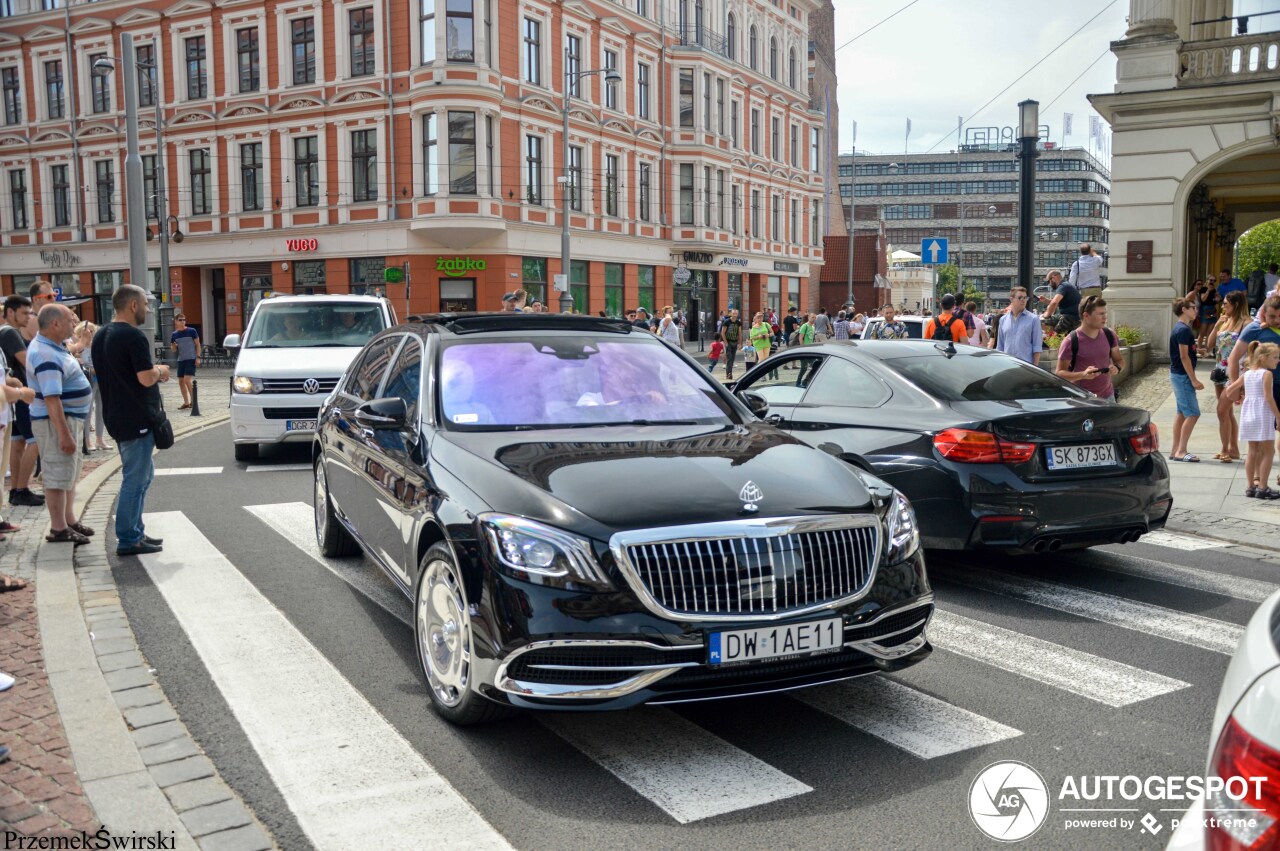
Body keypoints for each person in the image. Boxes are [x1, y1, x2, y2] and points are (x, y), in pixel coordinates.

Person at [92, 285, 169, 557]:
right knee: (135, 479)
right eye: (146, 305)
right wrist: (161, 369)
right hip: (135, 416)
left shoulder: (100, 335)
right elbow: (145, 377)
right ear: (133, 305)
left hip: (115, 414)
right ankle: (128, 537)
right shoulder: (133, 337)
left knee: (143, 476)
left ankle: (136, 530)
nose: (148, 310)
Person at [27, 304, 94, 545]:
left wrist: (82, 343)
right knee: (57, 474)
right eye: (69, 320)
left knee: (68, 472)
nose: (73, 324)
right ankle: (58, 528)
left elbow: (71, 350)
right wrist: (64, 435)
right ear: (55, 324)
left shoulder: (54, 345)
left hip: (67, 419)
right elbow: (51, 399)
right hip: (55, 423)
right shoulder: (45, 354)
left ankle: (68, 520)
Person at [0, 295, 41, 507]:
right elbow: (29, 362)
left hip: (12, 399)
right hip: (21, 396)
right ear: (10, 312)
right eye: (24, 313)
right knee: (36, 440)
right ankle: (21, 488)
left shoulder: (4, 333)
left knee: (17, 443)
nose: (28, 317)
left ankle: (16, 490)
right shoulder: (10, 333)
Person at [1225, 341, 1280, 498]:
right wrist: (1278, 416)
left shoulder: (1247, 373)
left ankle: (1250, 486)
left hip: (1248, 414)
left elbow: (1229, 390)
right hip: (1263, 414)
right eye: (1275, 357)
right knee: (1269, 451)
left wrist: (1240, 398)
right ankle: (1263, 487)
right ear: (1263, 358)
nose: (1278, 360)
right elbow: (1269, 398)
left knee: (1252, 451)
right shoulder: (1267, 374)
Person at [1054, 296, 1123, 401]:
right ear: (1086, 315)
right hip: (1081, 400)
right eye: (1100, 314)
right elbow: (1059, 374)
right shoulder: (1071, 341)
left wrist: (1117, 368)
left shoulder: (1109, 334)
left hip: (1108, 397)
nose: (1105, 317)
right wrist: (1082, 375)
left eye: (1105, 313)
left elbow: (1119, 360)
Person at [1208, 290, 1249, 462]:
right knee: (1228, 412)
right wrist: (1217, 326)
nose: (1222, 306)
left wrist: (1244, 379)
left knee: (1221, 410)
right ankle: (1234, 449)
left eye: (1225, 303)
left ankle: (1225, 449)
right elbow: (1210, 345)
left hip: (1234, 373)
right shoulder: (1224, 321)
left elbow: (1251, 350)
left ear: (1236, 304)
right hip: (1219, 371)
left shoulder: (1246, 323)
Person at [1168, 296, 1204, 462]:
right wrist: (1194, 380)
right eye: (1192, 307)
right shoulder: (1183, 330)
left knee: (1181, 413)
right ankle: (1181, 451)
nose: (1195, 310)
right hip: (1182, 376)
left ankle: (1175, 449)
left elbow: (1185, 353)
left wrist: (1197, 351)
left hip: (1178, 375)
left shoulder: (1181, 329)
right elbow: (1184, 357)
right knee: (1193, 413)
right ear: (1184, 310)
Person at [995, 287, 1042, 365]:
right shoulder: (1003, 320)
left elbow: (1036, 347)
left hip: (1026, 366)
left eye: (1025, 298)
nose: (1023, 300)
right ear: (1011, 299)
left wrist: (1035, 368)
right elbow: (1000, 346)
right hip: (1007, 365)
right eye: (1020, 298)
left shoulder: (1033, 319)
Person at [169, 313, 201, 410]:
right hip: (181, 360)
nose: (183, 322)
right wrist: (174, 346)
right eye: (180, 320)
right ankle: (186, 402)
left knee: (187, 380)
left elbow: (198, 345)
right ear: (176, 321)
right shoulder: (174, 334)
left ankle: (194, 401)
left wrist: (198, 357)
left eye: (184, 320)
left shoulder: (192, 331)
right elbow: (173, 349)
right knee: (181, 381)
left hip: (191, 358)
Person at [1043, 266, 1082, 335]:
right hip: (1072, 316)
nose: (1049, 284)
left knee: (1054, 336)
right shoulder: (1066, 285)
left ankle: (1053, 342)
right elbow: (1057, 302)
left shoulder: (1062, 286)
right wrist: (1046, 300)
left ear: (1054, 277)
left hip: (1070, 318)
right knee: (1046, 322)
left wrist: (1047, 314)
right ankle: (1051, 338)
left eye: (1049, 281)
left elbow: (1054, 303)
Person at [1196, 280, 1218, 355]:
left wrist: (1217, 297)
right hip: (1204, 311)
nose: (1212, 283)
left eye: (1213, 282)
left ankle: (1207, 350)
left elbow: (1217, 300)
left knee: (1209, 333)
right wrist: (1208, 290)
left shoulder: (1214, 290)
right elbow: (1203, 299)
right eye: (1210, 281)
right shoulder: (1203, 289)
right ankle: (1199, 349)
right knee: (1202, 332)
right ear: (1206, 282)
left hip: (1212, 311)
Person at [720, 309, 743, 379]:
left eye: (736, 313)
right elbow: (722, 333)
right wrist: (726, 342)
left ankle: (730, 372)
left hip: (735, 342)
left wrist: (740, 343)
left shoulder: (738, 323)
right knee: (729, 358)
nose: (735, 315)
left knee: (732, 358)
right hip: (728, 342)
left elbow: (739, 334)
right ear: (731, 314)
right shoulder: (727, 322)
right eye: (733, 313)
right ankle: (729, 374)